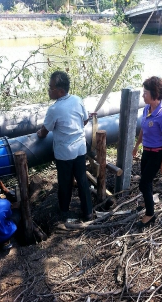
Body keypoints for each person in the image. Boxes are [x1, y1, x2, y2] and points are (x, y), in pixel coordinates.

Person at [37, 71, 93, 222]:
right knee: (82, 180)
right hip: (80, 148)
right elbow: (85, 121)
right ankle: (88, 212)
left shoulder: (54, 109)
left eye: (51, 87)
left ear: (60, 91)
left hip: (64, 153)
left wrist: (39, 134)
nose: (49, 90)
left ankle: (64, 209)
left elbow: (44, 131)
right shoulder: (77, 99)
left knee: (65, 182)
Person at [132, 76, 162, 228]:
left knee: (144, 183)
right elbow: (143, 128)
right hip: (146, 152)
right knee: (145, 181)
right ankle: (147, 200)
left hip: (157, 154)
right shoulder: (147, 109)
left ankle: (150, 214)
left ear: (155, 94)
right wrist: (137, 146)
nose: (143, 95)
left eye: (145, 93)